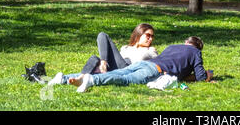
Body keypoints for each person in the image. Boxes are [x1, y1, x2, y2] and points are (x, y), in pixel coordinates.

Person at [50, 36, 213, 93]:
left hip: (146, 64)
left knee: (118, 74)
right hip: (154, 70)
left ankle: (63, 78)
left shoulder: (172, 47)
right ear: (197, 47)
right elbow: (199, 76)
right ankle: (91, 81)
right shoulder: (196, 52)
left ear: (186, 42)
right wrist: (209, 75)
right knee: (124, 80)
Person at [49, 24, 158, 88]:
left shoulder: (151, 50)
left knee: (126, 60)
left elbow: (155, 67)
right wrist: (104, 60)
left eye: (152, 36)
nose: (150, 38)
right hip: (114, 68)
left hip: (127, 69)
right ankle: (65, 79)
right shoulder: (125, 48)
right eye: (148, 35)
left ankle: (102, 65)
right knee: (96, 52)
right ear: (139, 34)